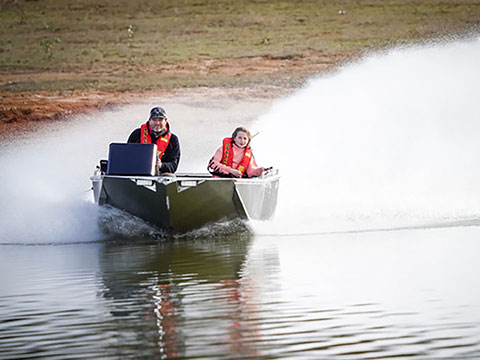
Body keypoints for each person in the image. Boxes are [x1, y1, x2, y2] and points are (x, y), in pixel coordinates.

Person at [128, 106, 181, 174]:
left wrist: (161, 165)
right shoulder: (137, 135)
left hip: (161, 174)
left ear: (165, 121)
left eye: (160, 120)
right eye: (154, 120)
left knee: (169, 177)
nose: (157, 123)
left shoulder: (173, 140)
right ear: (149, 121)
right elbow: (128, 156)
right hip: (137, 171)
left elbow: (173, 165)